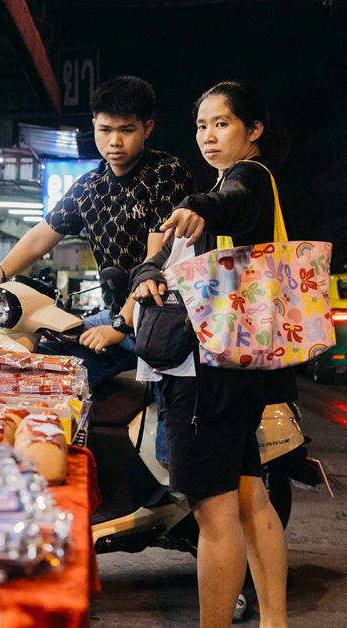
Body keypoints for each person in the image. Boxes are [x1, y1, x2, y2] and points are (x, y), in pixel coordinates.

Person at [129, 80, 292, 628]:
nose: (208, 135)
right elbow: (169, 257)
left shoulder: (247, 179)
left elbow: (232, 202)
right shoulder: (232, 183)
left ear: (254, 130)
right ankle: (275, 622)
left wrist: (198, 204)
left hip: (206, 374)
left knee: (213, 512)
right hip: (236, 367)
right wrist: (148, 268)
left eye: (222, 123)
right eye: (201, 125)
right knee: (249, 498)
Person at [0, 76, 195, 388]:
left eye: (127, 130)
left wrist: (120, 326)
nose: (115, 141)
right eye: (105, 130)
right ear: (94, 125)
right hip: (115, 316)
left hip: (165, 319)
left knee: (169, 410)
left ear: (147, 128)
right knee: (46, 368)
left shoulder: (168, 174)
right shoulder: (88, 187)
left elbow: (156, 261)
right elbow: (38, 239)